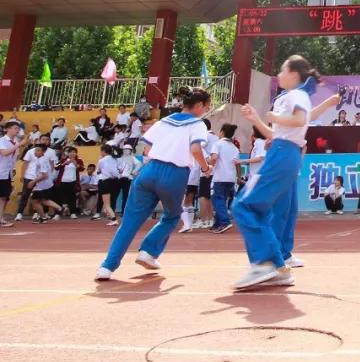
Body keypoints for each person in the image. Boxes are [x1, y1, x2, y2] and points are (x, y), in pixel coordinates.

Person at [94, 89, 212, 281]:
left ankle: (107, 267)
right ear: (199, 106)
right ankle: (148, 251)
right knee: (172, 216)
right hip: (174, 174)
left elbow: (147, 147)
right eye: (206, 107)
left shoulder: (165, 120)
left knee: (129, 222)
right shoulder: (197, 124)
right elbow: (196, 148)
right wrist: (206, 168)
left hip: (149, 170)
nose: (206, 111)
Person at [233, 56, 321, 289]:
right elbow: (274, 134)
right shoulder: (291, 97)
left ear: (293, 73)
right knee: (264, 209)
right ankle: (278, 265)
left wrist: (274, 117)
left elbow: (300, 119)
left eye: (282, 70)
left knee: (243, 205)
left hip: (283, 154)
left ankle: (265, 263)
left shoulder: (296, 95)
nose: (279, 75)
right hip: (283, 151)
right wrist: (256, 119)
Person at [208, 124, 241, 233]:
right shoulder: (234, 148)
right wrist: (239, 177)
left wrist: (206, 164)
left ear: (222, 132)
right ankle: (217, 224)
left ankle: (225, 221)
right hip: (231, 178)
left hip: (219, 177)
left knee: (217, 199)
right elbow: (238, 164)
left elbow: (214, 158)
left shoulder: (217, 144)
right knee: (222, 200)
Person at [26, 144, 62, 223]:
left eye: (38, 150)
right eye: (35, 150)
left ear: (43, 152)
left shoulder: (41, 161)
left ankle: (56, 210)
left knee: (35, 201)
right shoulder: (42, 160)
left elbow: (44, 175)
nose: (36, 152)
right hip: (44, 184)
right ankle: (53, 212)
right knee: (43, 200)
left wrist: (33, 181)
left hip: (42, 184)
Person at [0, 121, 26, 227]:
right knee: (2, 197)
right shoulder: (2, 140)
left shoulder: (15, 142)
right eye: (15, 128)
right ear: (7, 129)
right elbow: (4, 153)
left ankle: (1, 218)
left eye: (18, 128)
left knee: (4, 197)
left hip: (7, 173)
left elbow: (16, 158)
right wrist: (19, 144)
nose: (17, 130)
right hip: (0, 171)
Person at [95, 145, 121, 226]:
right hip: (116, 181)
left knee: (106, 204)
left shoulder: (101, 160)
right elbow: (119, 169)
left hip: (106, 181)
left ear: (103, 151)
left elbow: (98, 171)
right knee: (112, 201)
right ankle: (112, 217)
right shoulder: (116, 159)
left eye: (101, 151)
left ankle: (114, 219)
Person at [57, 146, 82, 219]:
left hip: (73, 182)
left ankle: (73, 213)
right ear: (68, 153)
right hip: (62, 181)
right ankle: (58, 213)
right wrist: (64, 163)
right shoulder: (63, 160)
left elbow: (82, 168)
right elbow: (56, 166)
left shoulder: (79, 160)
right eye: (71, 152)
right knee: (60, 198)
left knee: (72, 198)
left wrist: (75, 163)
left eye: (74, 152)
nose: (72, 154)